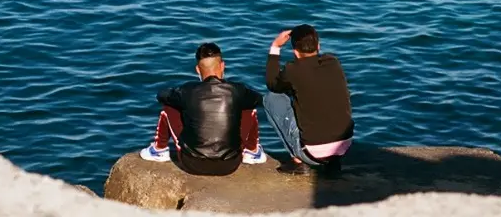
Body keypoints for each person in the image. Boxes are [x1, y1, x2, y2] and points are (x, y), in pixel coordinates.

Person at [140, 42, 267, 175]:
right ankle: (252, 152)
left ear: (197, 69)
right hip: (230, 164)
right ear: (223, 66)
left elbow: (161, 95)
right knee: (249, 108)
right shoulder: (237, 90)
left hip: (192, 163)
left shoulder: (187, 90)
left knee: (169, 107)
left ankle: (159, 149)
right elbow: (259, 99)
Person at [265, 24, 354, 176]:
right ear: (318, 46)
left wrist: (275, 47)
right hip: (343, 147)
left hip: (312, 153)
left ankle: (299, 162)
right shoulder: (334, 63)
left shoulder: (293, 70)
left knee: (271, 99)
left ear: (295, 52)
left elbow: (272, 84)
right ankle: (332, 164)